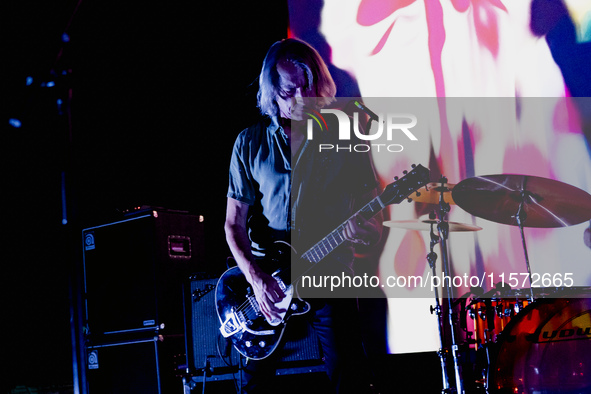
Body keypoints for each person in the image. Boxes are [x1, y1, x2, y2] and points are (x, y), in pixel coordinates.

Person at [224, 37, 381, 394]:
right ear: (272, 92)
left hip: (331, 270)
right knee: (254, 386)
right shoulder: (249, 143)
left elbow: (372, 220)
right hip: (271, 278)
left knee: (350, 375)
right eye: (291, 91)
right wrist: (256, 278)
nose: (303, 99)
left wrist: (364, 230)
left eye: (309, 87)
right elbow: (234, 224)